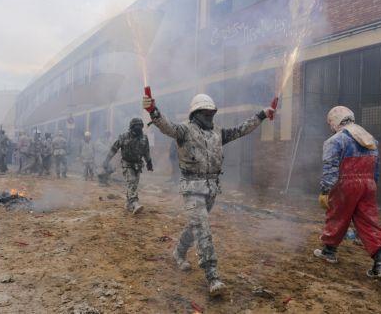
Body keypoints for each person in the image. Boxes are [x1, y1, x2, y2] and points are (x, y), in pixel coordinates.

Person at [143, 93, 274, 296]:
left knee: (195, 226)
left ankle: (178, 252)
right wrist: (153, 111)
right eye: (204, 112)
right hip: (192, 187)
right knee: (202, 228)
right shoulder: (184, 130)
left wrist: (262, 115)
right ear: (195, 113)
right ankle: (212, 275)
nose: (208, 116)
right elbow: (166, 125)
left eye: (210, 112)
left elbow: (241, 130)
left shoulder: (218, 132)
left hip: (211, 188)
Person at [313, 106, 381, 281]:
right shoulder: (370, 139)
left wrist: (325, 190)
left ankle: (329, 252)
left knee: (337, 217)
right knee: (370, 223)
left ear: (335, 121)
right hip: (368, 185)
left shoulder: (335, 141)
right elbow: (376, 170)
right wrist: (371, 186)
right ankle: (380, 264)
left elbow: (330, 169)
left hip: (346, 185)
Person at [103, 118, 153, 215]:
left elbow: (146, 151)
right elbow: (114, 149)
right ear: (131, 127)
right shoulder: (123, 137)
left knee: (134, 185)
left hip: (138, 164)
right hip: (127, 164)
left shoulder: (144, 138)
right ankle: (135, 203)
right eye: (136, 126)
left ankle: (128, 204)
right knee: (131, 182)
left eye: (140, 126)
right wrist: (106, 160)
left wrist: (149, 163)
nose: (138, 128)